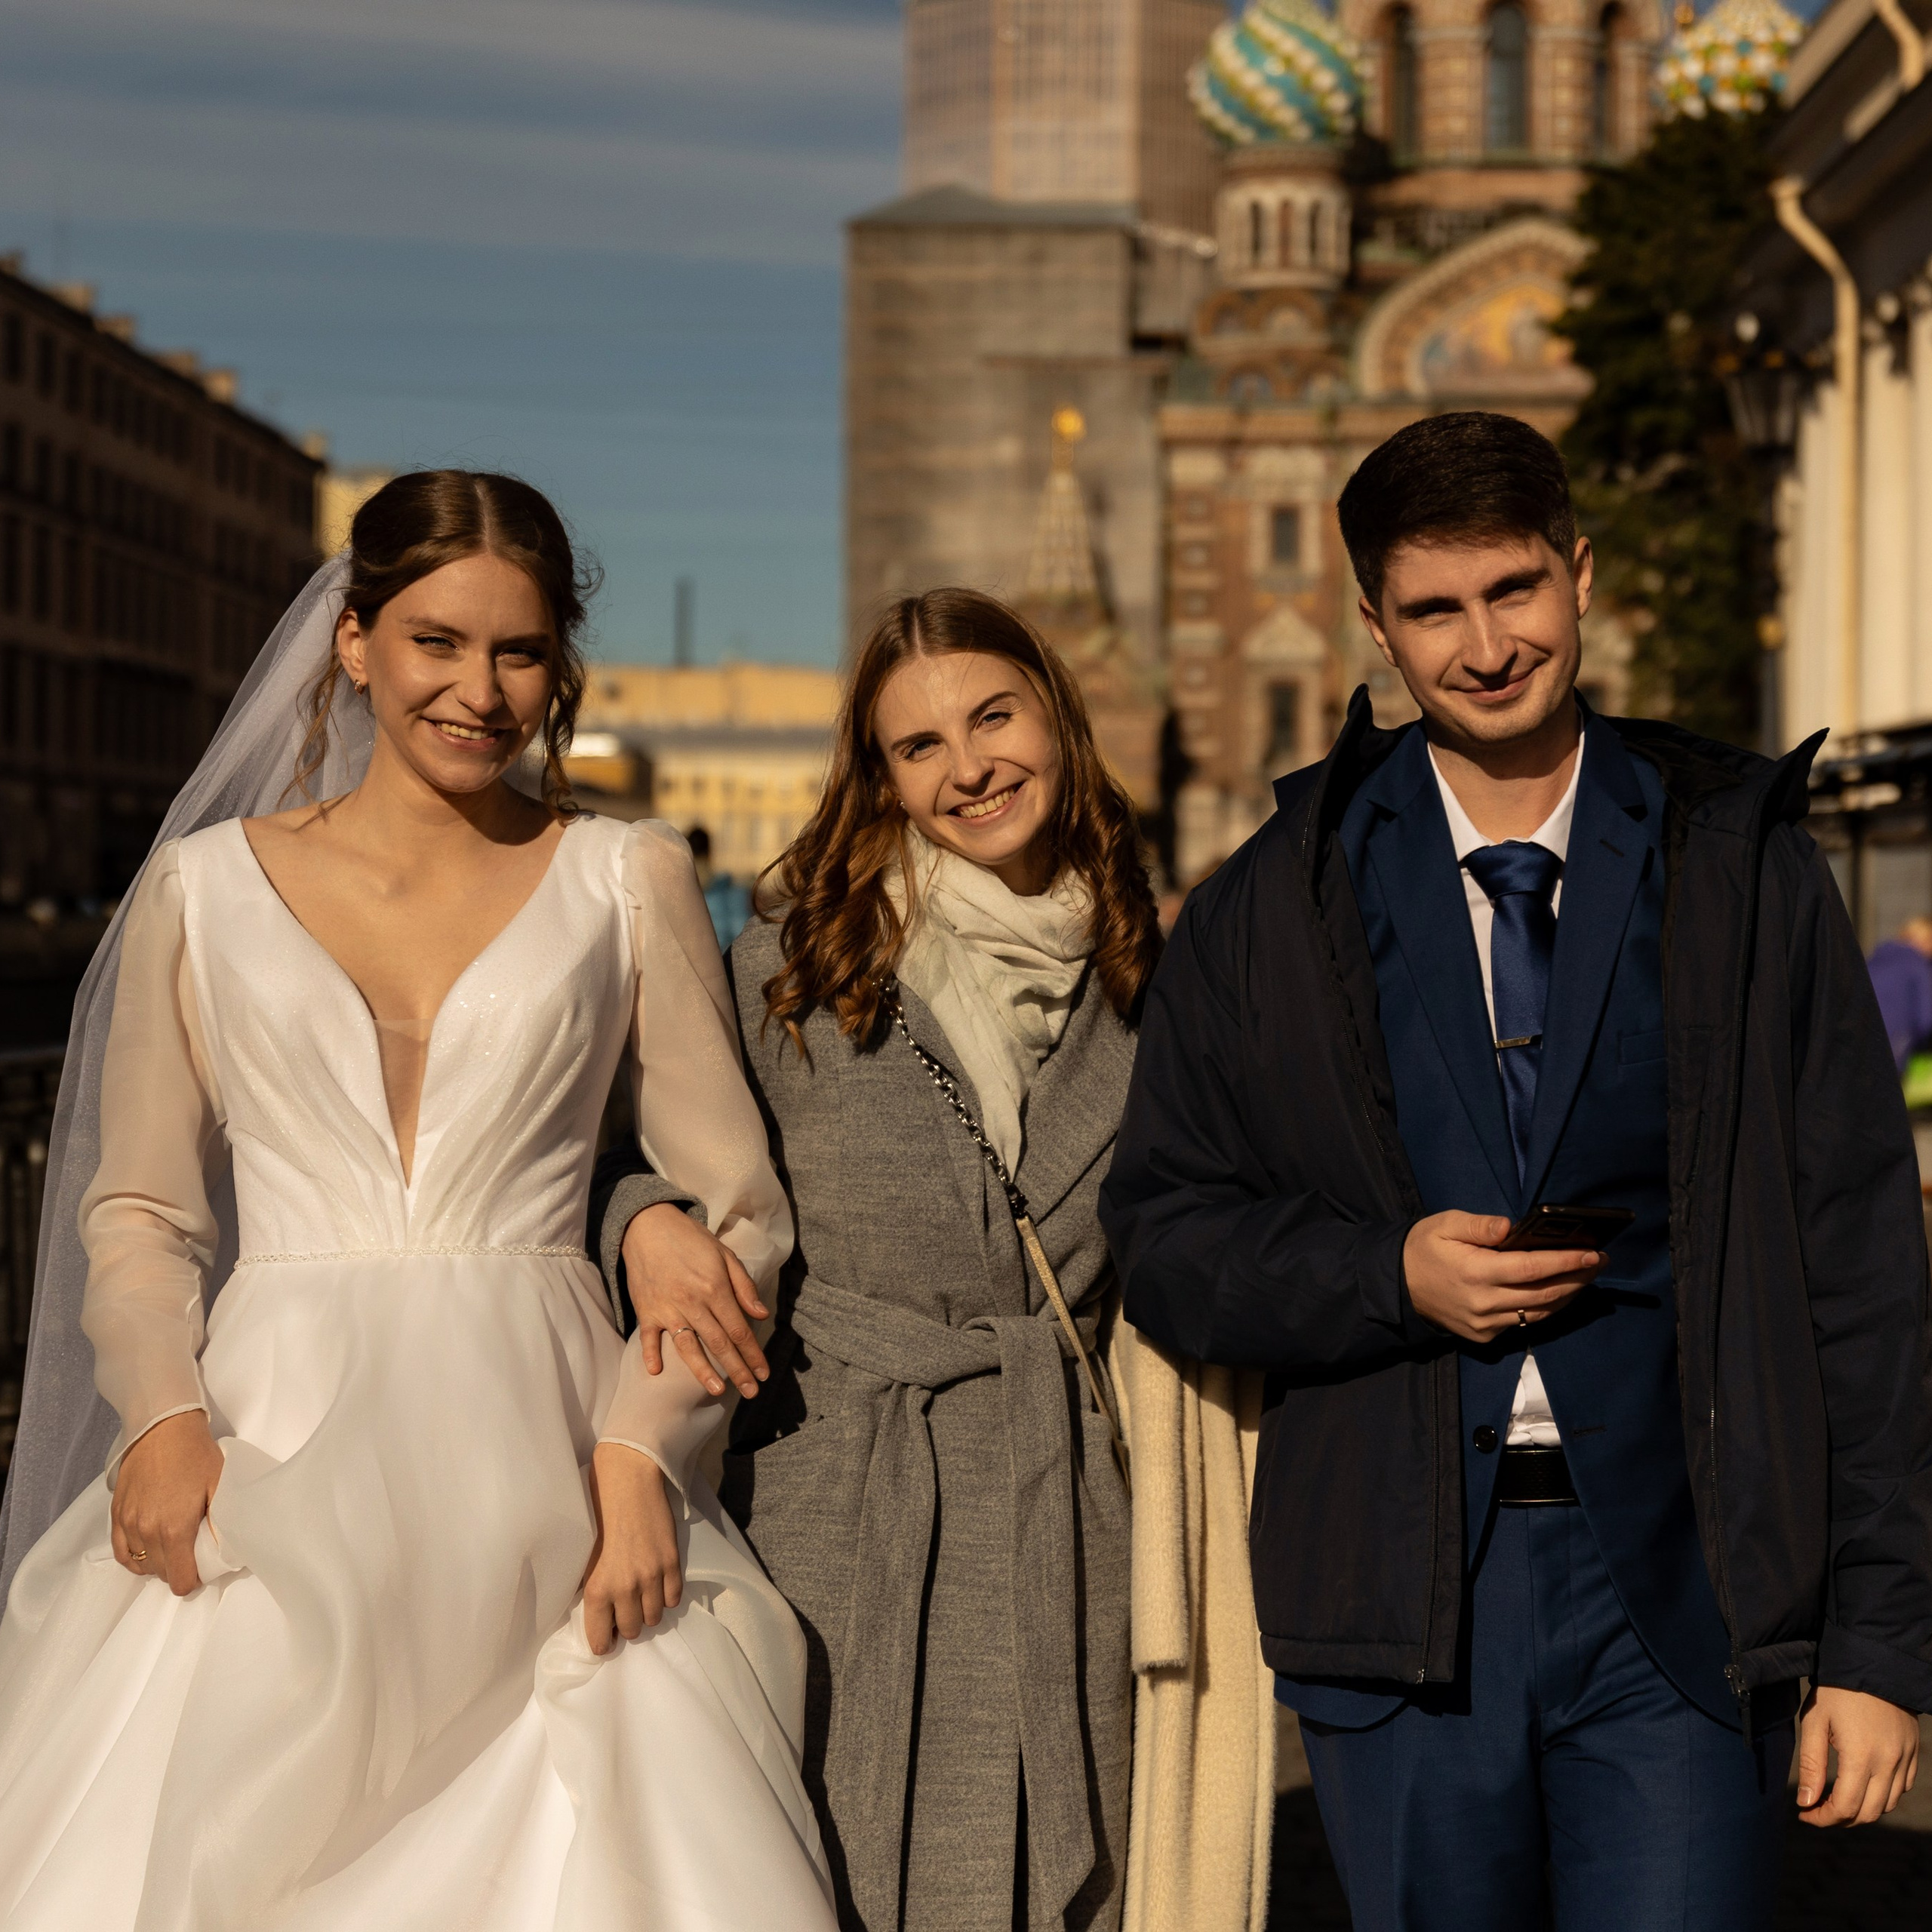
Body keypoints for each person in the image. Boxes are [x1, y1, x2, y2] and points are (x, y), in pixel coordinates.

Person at [1100, 412, 1932, 1930]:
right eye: (1432, 608)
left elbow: (1861, 1267)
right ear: (1373, 624)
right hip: (1398, 1601)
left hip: (1687, 1591)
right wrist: (1382, 1272)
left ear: (1578, 576)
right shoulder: (1269, 901)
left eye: (1512, 590)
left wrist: (1877, 1641)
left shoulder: (1739, 864)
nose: (1483, 645)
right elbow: (1160, 1237)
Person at [0, 472, 835, 1928]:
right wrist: (157, 1416)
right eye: (438, 642)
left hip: (557, 1461)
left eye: (520, 653)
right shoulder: (200, 893)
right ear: (356, 643)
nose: (479, 689)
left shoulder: (624, 877)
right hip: (268, 1449)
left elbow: (739, 1211)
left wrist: (645, 1454)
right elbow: (139, 1210)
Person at [590, 589, 1278, 1932]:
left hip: (1072, 1490)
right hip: (840, 1487)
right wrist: (642, 1220)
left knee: (1072, 1867)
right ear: (882, 777)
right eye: (919, 747)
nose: (968, 769)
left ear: (1057, 723)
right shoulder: (790, 962)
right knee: (830, 1864)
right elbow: (603, 1143)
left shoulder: (1155, 972)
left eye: (993, 718)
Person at [1868, 915, 1932, 1072]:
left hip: (1859, 1044)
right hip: (1894, 1048)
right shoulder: (1916, 966)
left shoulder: (1872, 960)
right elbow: (1925, 1021)